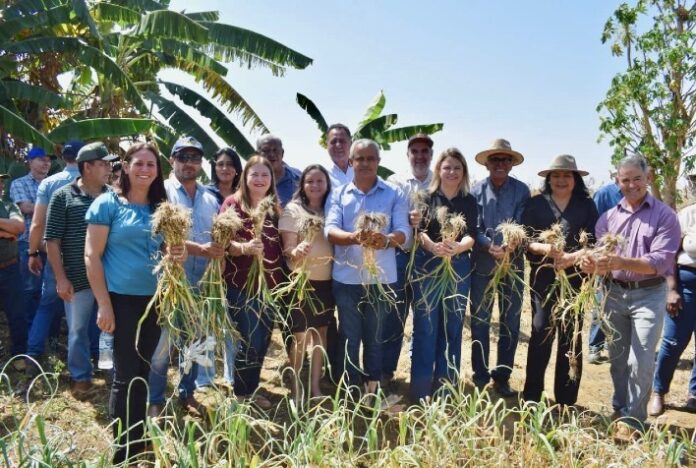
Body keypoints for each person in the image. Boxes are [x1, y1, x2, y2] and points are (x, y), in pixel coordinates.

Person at [84, 141, 178, 464]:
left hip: (155, 301)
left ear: (158, 171)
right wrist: (104, 304)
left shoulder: (162, 208)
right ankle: (123, 449)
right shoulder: (108, 204)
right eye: (138, 163)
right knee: (125, 373)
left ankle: (137, 441)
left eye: (151, 164)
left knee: (143, 369)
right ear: (125, 166)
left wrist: (175, 256)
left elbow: (169, 256)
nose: (144, 169)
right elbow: (91, 256)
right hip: (120, 301)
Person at [581, 155, 680, 432]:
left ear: (648, 179)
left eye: (637, 178)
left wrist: (622, 262)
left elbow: (660, 262)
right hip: (614, 293)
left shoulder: (665, 216)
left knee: (642, 359)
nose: (632, 184)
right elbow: (602, 259)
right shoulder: (607, 218)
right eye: (625, 179)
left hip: (649, 294)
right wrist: (593, 265)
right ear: (617, 182)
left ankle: (634, 420)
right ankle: (619, 407)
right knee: (618, 359)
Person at [325, 139, 410, 396]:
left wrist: (386, 240)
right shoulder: (339, 194)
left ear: (378, 162)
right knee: (350, 337)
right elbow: (330, 229)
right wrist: (354, 237)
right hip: (347, 279)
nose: (364, 163)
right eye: (359, 159)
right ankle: (350, 390)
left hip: (381, 280)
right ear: (351, 163)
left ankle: (372, 389)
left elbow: (404, 231)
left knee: (375, 337)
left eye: (370, 158)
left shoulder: (394, 194)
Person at [148, 136, 223, 416]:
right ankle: (155, 398)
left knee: (197, 341)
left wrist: (217, 258)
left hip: (203, 283)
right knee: (162, 345)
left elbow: (217, 239)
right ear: (172, 160)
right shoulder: (161, 192)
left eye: (195, 158)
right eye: (183, 157)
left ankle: (187, 392)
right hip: (169, 283)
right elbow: (161, 238)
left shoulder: (210, 197)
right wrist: (200, 249)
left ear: (201, 163)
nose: (189, 163)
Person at [522, 155, 598, 407]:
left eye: (567, 175)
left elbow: (594, 243)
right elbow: (524, 242)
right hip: (543, 280)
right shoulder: (535, 205)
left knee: (571, 336)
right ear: (548, 179)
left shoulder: (586, 206)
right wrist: (545, 249)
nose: (561, 180)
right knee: (541, 331)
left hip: (576, 282)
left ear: (575, 179)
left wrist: (571, 257)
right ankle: (532, 396)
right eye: (556, 175)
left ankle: (566, 400)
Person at [44, 142, 115, 399]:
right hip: (77, 279)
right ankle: (81, 376)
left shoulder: (113, 196)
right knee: (77, 330)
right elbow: (51, 240)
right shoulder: (63, 195)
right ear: (87, 167)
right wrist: (60, 279)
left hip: (111, 279)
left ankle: (109, 369)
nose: (109, 168)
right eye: (104, 163)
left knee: (110, 328)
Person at [409, 148, 477, 403]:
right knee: (426, 327)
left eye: (457, 168)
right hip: (427, 265)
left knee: (452, 328)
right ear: (439, 170)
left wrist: (459, 247)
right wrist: (432, 246)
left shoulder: (468, 200)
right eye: (447, 167)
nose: (451, 172)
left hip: (458, 266)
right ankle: (420, 392)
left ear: (463, 173)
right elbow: (419, 233)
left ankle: (446, 390)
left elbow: (472, 233)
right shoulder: (425, 197)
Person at [221, 154, 285, 409]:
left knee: (262, 342)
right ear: (245, 178)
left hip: (270, 287)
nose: (259, 179)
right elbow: (222, 241)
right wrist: (243, 247)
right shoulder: (232, 204)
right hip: (241, 286)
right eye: (254, 174)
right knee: (248, 342)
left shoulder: (274, 209)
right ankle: (240, 395)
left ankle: (251, 389)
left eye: (265, 175)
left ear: (271, 180)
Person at [470, 138, 530, 396]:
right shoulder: (474, 192)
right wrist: (487, 245)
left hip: (513, 265)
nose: (500, 164)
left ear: (511, 164)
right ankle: (480, 375)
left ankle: (502, 376)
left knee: (510, 322)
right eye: (495, 159)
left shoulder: (522, 191)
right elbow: (474, 226)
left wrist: (509, 245)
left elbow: (523, 224)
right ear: (487, 164)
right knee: (480, 321)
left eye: (505, 160)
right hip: (482, 264)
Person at [23, 141, 85, 376]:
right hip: (84, 255)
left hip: (54, 253)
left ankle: (33, 355)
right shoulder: (93, 182)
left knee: (47, 305)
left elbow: (37, 224)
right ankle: (91, 358)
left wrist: (32, 252)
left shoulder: (49, 183)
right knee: (88, 306)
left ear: (64, 156)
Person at [278, 164, 334, 402]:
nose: (315, 186)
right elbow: (287, 249)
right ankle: (296, 388)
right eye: (310, 181)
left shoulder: (331, 209)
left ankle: (315, 389)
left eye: (320, 181)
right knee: (300, 336)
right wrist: (296, 250)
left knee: (320, 335)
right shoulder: (293, 210)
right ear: (302, 185)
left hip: (326, 282)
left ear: (327, 185)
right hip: (300, 282)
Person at [383, 133, 434, 387]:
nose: (420, 156)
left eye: (425, 151)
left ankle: (419, 372)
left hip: (429, 259)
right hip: (401, 257)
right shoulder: (396, 182)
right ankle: (386, 372)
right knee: (394, 316)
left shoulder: (440, 181)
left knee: (424, 319)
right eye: (415, 151)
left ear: (431, 155)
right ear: (408, 154)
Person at [649, 198, 696, 415]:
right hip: (687, 286)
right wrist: (672, 289)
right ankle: (658, 391)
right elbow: (669, 256)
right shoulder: (687, 215)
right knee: (673, 341)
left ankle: (693, 394)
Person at [10, 147, 53, 329]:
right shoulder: (19, 183)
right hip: (28, 244)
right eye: (41, 159)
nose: (46, 163)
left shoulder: (53, 183)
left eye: (48, 160)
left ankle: (47, 333)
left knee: (50, 291)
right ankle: (30, 331)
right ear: (29, 162)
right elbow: (26, 208)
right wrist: (54, 206)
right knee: (30, 290)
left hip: (51, 243)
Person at [587, 173, 623, 364]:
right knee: (602, 302)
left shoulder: (639, 195)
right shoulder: (604, 194)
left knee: (621, 304)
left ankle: (616, 343)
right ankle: (595, 346)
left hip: (629, 260)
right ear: (617, 173)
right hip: (605, 256)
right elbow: (593, 224)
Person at [0, 173, 26, 367]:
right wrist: (5, 232)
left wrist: (10, 231)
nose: (1, 184)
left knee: (16, 313)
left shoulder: (8, 205)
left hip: (9, 268)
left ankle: (19, 356)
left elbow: (18, 227)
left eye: (1, 181)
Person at [256, 135, 300, 207]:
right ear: (258, 154)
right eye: (266, 150)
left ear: (282, 153)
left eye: (275, 150)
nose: (271, 154)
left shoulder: (299, 178)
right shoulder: (249, 182)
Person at [326, 124, 354, 188]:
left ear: (351, 143)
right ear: (327, 144)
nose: (338, 145)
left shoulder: (362, 171)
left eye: (342, 141)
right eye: (333, 141)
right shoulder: (320, 174)